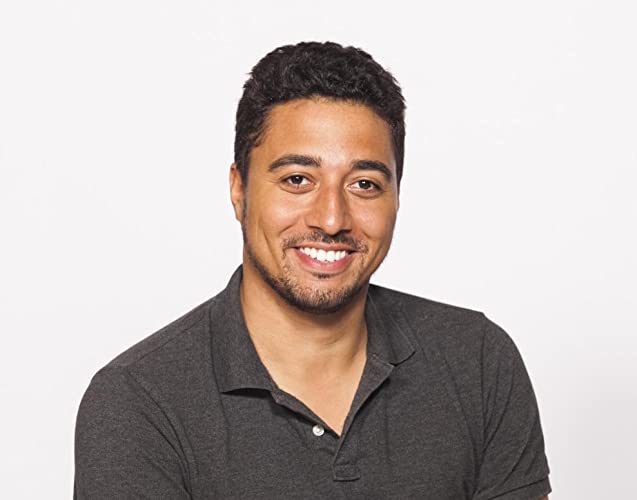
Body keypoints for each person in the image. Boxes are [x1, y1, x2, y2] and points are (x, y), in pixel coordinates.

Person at [74, 41, 551, 499]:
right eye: (298, 179)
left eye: (364, 184)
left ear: (397, 197)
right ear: (239, 190)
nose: (332, 219)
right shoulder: (139, 402)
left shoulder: (477, 361)